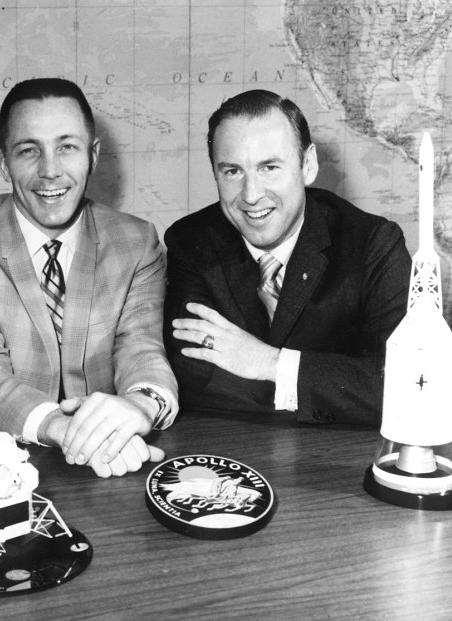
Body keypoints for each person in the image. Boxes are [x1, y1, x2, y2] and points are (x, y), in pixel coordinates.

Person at [0, 78, 178, 478]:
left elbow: (141, 350)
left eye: (67, 147)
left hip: (113, 462)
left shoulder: (137, 242)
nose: (50, 171)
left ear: (92, 155)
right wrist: (74, 431)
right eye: (28, 151)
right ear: (4, 161)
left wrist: (139, 407)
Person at [165, 90, 412, 426]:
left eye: (269, 167)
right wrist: (338, 389)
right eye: (232, 172)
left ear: (307, 166)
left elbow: (410, 385)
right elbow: (192, 378)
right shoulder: (190, 241)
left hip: (337, 459)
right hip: (234, 449)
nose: (251, 195)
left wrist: (271, 364)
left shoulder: (373, 244)